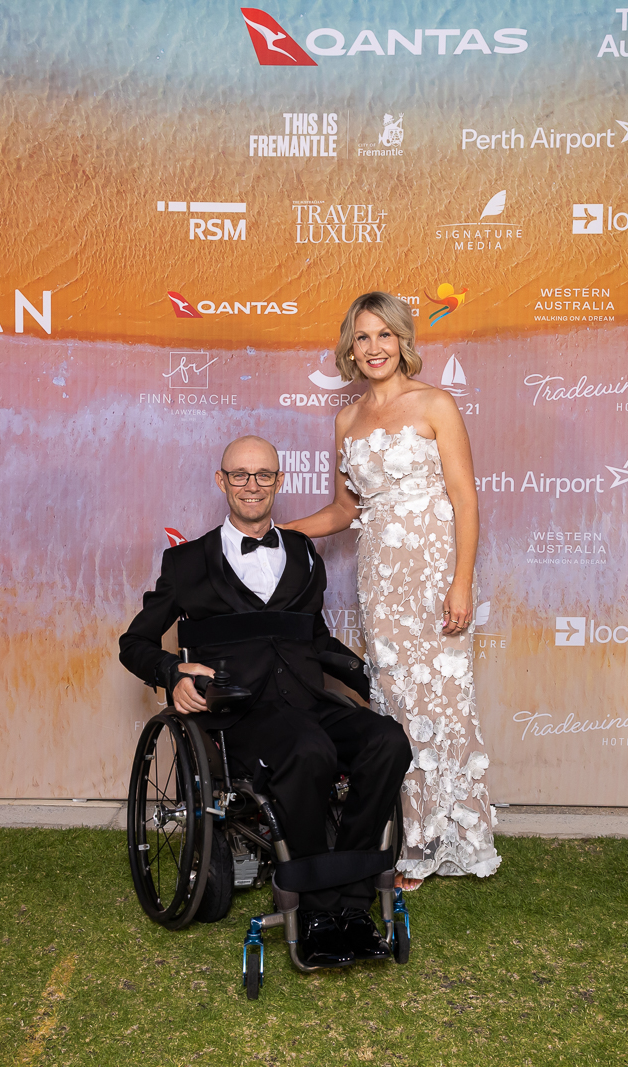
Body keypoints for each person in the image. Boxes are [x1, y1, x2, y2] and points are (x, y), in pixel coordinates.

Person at [119, 434, 413, 969]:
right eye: (240, 474)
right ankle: (319, 912)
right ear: (221, 481)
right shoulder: (185, 563)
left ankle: (351, 903)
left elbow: (316, 640)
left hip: (309, 702)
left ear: (279, 481)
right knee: (308, 749)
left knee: (388, 741)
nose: (251, 485)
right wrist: (173, 673)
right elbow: (133, 643)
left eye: (263, 475)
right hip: (239, 716)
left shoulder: (303, 552)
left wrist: (371, 681)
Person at [281, 292, 502, 889]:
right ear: (349, 348)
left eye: (384, 335)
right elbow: (344, 510)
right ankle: (411, 837)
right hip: (380, 580)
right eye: (362, 337)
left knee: (445, 705)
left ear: (403, 341)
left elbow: (465, 500)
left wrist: (461, 583)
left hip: (435, 575)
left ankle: (452, 839)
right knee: (396, 708)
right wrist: (280, 531)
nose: (374, 347)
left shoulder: (435, 404)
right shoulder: (346, 420)